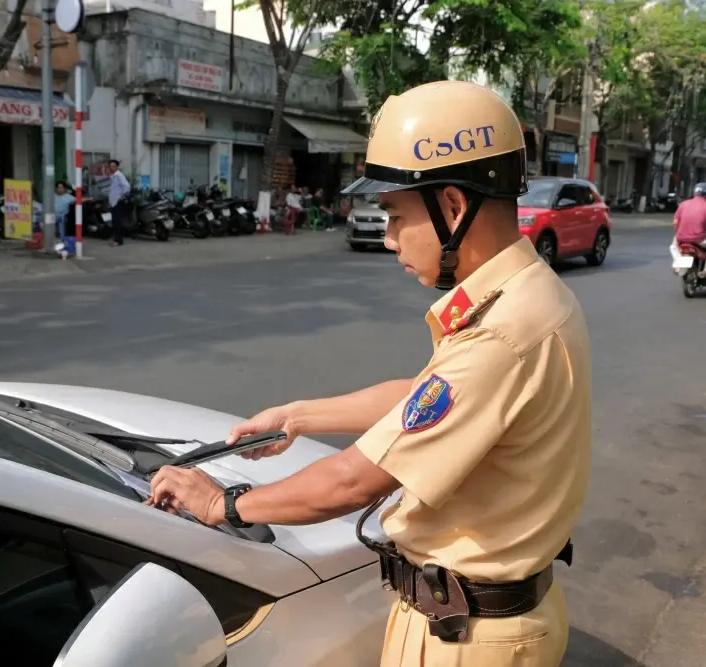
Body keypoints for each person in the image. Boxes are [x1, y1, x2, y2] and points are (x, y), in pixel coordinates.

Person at [147, 81, 591, 667]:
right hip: (480, 622)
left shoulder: (499, 333)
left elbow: (352, 483)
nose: (387, 239)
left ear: (453, 206)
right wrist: (297, 417)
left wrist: (222, 506)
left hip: (467, 640)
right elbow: (421, 398)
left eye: (397, 217)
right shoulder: (524, 295)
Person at [670, 182, 706, 274]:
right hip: (699, 239)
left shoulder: (683, 204)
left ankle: (678, 265)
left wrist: (678, 233)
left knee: (673, 247)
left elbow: (675, 222)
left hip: (681, 238)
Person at [107, 159, 130, 247]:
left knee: (117, 221)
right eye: (111, 166)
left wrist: (122, 196)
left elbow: (127, 186)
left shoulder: (119, 175)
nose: (112, 168)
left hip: (118, 202)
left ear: (117, 167)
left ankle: (119, 240)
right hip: (113, 202)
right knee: (114, 221)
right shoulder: (113, 176)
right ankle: (116, 239)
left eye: (114, 166)